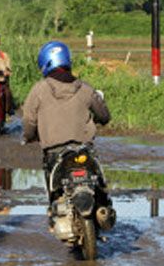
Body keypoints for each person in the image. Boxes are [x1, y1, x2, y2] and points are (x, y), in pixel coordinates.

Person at [22, 41, 111, 201]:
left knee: (54, 192)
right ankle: (102, 206)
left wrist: (29, 136)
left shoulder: (39, 90)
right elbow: (104, 116)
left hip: (55, 152)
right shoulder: (85, 88)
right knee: (99, 186)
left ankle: (54, 213)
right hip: (84, 149)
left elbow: (29, 120)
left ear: (45, 63)